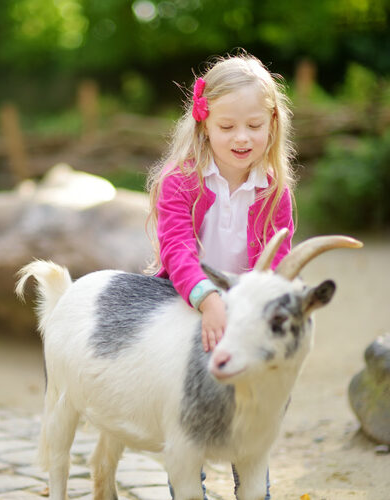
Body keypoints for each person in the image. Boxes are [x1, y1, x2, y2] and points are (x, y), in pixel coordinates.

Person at [145, 52, 296, 499]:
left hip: (244, 313)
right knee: (187, 412)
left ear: (272, 122)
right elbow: (177, 250)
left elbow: (276, 265)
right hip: (185, 302)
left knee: (252, 406)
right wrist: (208, 300)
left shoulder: (274, 192)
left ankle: (254, 487)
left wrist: (248, 314)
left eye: (253, 124)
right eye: (227, 127)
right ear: (204, 124)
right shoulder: (180, 182)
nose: (241, 137)